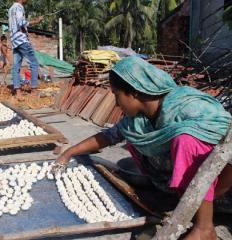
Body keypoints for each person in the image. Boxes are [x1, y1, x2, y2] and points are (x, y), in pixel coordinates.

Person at [55, 56, 232, 240]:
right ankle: (181, 199)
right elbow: (108, 136)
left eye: (117, 95)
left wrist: (213, 194)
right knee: (134, 137)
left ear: (135, 93)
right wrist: (69, 152)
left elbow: (228, 151)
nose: (116, 103)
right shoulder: (139, 120)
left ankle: (204, 228)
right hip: (191, 195)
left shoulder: (189, 108)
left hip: (221, 193)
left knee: (186, 141)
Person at [8, 0, 43, 97]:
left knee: (16, 66)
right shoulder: (19, 7)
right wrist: (36, 21)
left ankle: (18, 91)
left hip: (14, 41)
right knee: (34, 63)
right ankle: (34, 89)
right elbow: (21, 23)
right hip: (22, 40)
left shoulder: (11, 9)